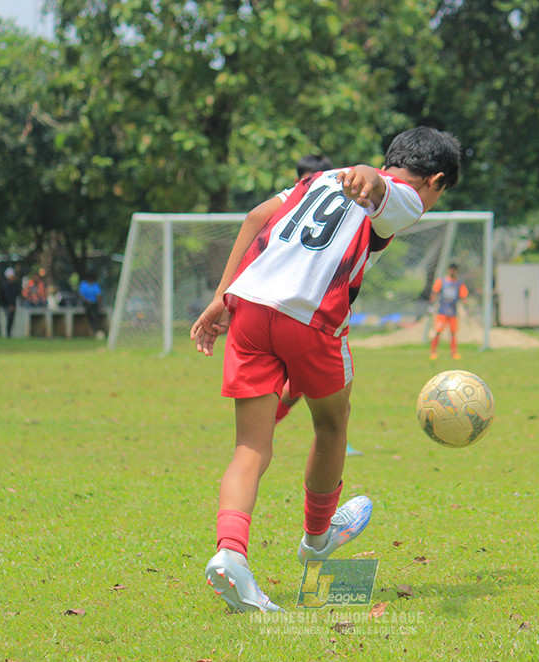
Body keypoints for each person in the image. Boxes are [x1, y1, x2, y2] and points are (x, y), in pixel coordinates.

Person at [191, 127, 461, 611]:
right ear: (436, 180)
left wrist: (219, 297)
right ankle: (317, 540)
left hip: (250, 306)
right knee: (332, 424)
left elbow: (256, 217)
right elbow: (382, 191)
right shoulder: (407, 197)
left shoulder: (318, 177)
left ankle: (230, 554)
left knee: (250, 446)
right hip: (310, 318)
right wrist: (367, 178)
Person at [272, 154, 365, 455]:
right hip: (304, 313)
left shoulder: (297, 203)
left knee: (297, 387)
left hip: (282, 311)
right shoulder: (297, 203)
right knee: (307, 387)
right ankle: (333, 436)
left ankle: (265, 425)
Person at [428, 263, 468, 360]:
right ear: (448, 270)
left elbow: (464, 297)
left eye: (454, 270)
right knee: (437, 331)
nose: (452, 272)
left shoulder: (459, 284)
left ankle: (454, 353)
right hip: (442, 312)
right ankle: (433, 352)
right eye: (451, 269)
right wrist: (431, 305)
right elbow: (435, 293)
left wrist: (466, 309)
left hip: (453, 312)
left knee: (453, 333)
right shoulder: (441, 281)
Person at [78, 273, 105, 339]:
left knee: (94, 312)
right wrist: (87, 301)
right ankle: (93, 328)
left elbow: (98, 296)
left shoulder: (95, 285)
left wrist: (100, 305)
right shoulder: (83, 285)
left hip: (93, 303)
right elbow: (81, 295)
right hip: (85, 303)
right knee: (90, 311)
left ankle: (95, 328)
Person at [0, 267, 22, 338]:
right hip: (7, 304)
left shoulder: (14, 285)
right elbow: (7, 296)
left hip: (12, 304)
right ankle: (8, 333)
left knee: (11, 319)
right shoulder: (5, 285)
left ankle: (9, 333)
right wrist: (10, 304)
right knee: (9, 318)